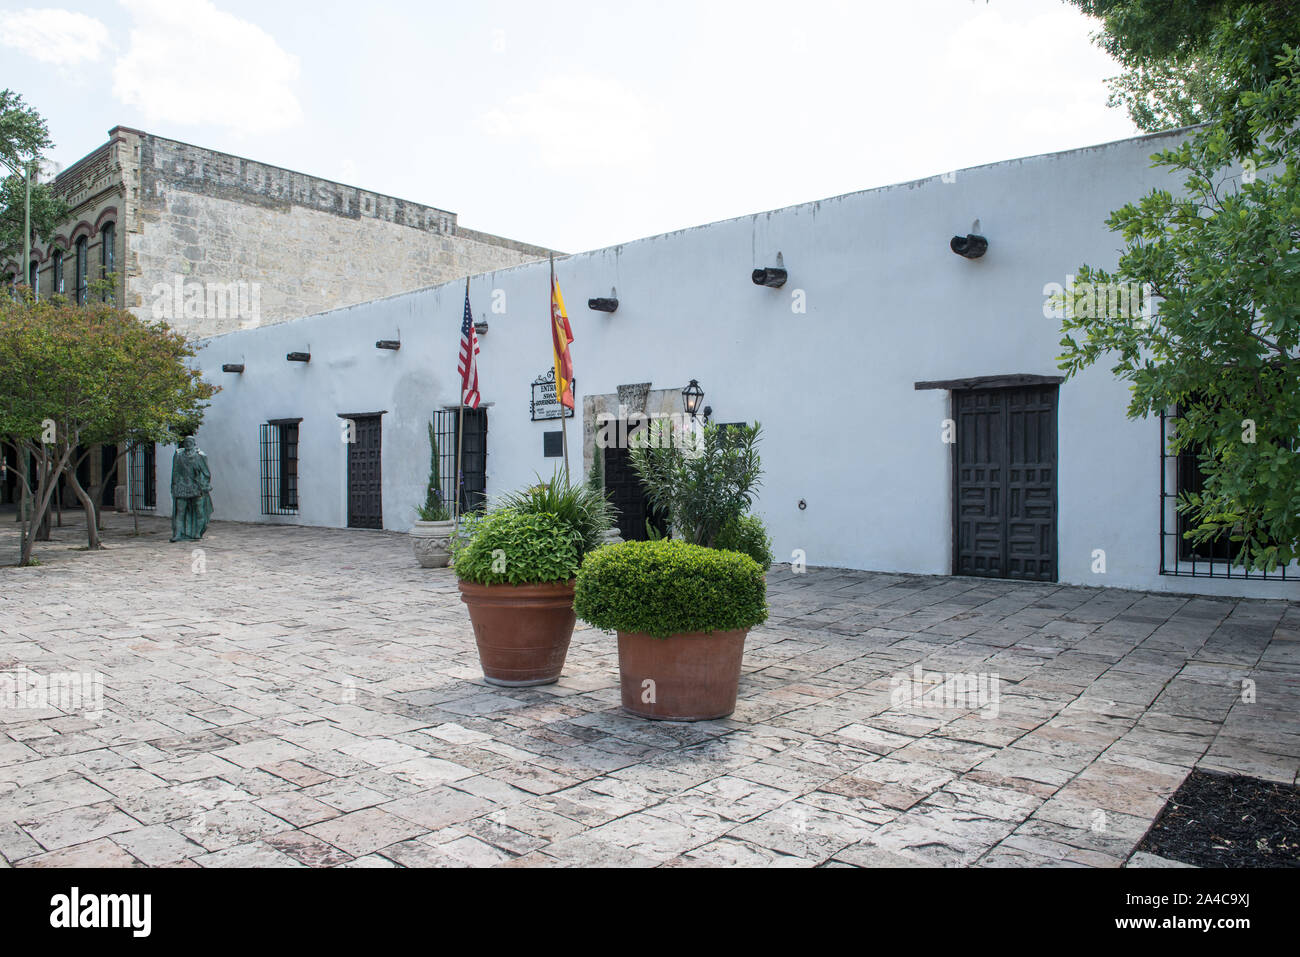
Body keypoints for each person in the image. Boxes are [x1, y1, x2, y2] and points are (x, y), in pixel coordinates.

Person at [170, 436, 213, 542]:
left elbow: (206, 473)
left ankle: (197, 533)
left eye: (190, 442)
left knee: (199, 510)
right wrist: (174, 485)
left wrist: (203, 483)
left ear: (194, 443)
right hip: (182, 486)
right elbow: (175, 471)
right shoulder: (179, 455)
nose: (188, 443)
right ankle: (178, 534)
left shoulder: (200, 456)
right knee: (180, 511)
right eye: (186, 442)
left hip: (196, 487)